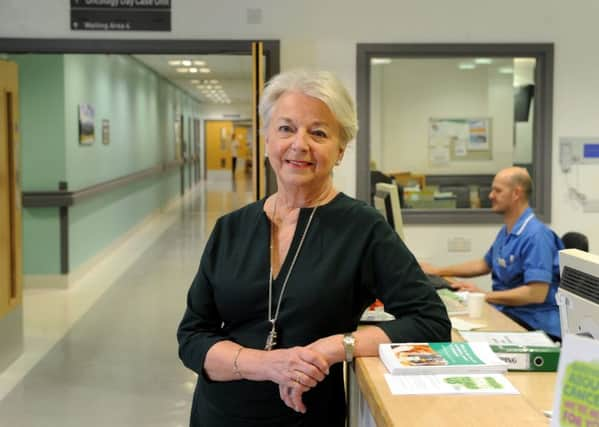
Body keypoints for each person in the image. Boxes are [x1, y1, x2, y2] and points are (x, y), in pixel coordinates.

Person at [177, 69, 451, 427]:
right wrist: (265, 364)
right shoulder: (230, 228)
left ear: (340, 150)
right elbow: (193, 336)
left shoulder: (363, 229)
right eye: (286, 128)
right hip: (218, 414)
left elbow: (430, 322)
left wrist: (335, 346)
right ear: (266, 139)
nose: (299, 144)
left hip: (306, 416)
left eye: (318, 132)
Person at [421, 167, 564, 340]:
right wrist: (438, 271)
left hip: (533, 325)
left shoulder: (537, 236)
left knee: (459, 338)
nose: (490, 196)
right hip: (508, 313)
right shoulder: (509, 230)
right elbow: (484, 264)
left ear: (516, 193)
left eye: (497, 190)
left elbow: (536, 293)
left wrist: (484, 295)